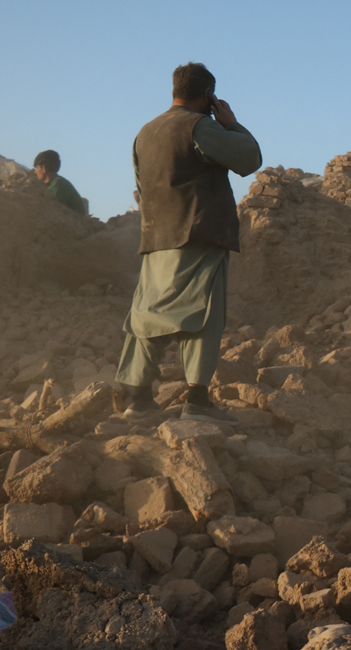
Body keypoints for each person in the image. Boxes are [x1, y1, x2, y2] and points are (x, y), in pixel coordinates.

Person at [116, 62, 262, 423]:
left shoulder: (145, 132)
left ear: (173, 91)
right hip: (198, 234)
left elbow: (140, 186)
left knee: (148, 314)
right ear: (209, 95)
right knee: (203, 314)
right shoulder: (200, 126)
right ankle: (196, 400)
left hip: (155, 238)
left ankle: (137, 397)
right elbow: (249, 159)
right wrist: (231, 124)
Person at [33, 150, 86, 215]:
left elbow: (52, 210)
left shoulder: (58, 184)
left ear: (44, 168)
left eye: (36, 168)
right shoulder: (52, 183)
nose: (35, 172)